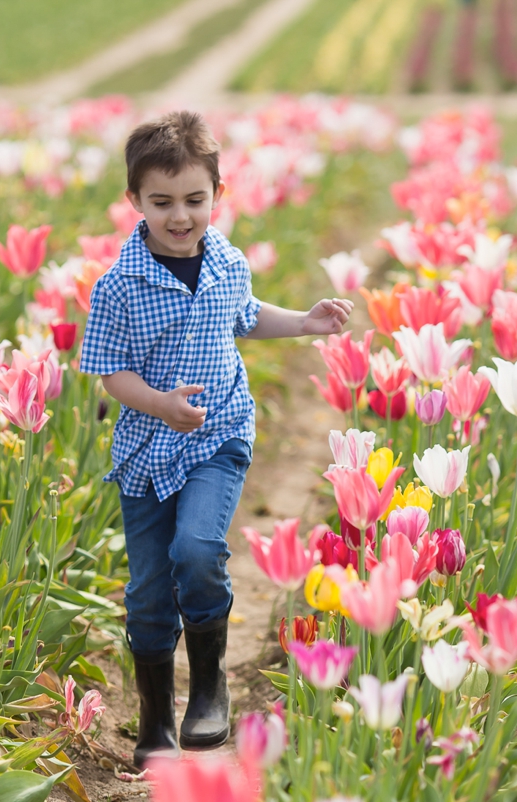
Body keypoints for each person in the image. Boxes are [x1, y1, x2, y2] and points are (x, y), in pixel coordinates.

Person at [80, 111, 354, 765]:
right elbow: (109, 374)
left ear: (217, 196)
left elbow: (246, 317)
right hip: (148, 446)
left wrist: (306, 322)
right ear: (135, 203)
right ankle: (155, 719)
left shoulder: (227, 261)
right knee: (148, 588)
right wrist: (157, 403)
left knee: (199, 549)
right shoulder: (118, 287)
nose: (181, 216)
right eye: (162, 202)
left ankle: (208, 685)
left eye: (194, 200)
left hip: (217, 432)